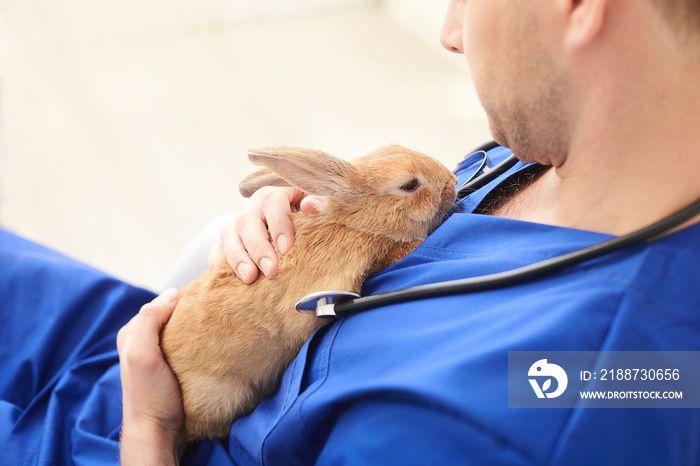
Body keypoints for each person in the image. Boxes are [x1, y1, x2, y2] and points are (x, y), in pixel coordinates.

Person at [2, 0, 700, 464]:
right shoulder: (546, 155)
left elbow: (602, 390)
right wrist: (296, 230)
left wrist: (148, 427)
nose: (451, 32)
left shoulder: (494, 420)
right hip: (156, 354)